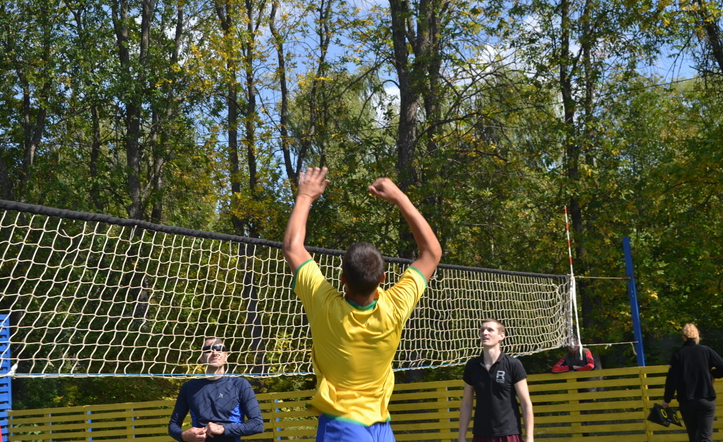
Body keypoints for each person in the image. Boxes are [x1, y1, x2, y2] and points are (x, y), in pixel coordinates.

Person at [282, 167, 443, 442]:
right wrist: (400, 198)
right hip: (380, 426)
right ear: (382, 278)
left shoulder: (324, 305)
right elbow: (431, 252)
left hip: (341, 425)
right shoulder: (395, 306)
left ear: (342, 278)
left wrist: (305, 196)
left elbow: (292, 248)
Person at [168, 337, 264, 442]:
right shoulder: (189, 387)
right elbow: (173, 425)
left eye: (219, 349)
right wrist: (183, 436)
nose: (215, 353)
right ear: (201, 357)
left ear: (226, 356)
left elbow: (257, 424)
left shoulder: (240, 384)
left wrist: (222, 428)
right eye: (208, 350)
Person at [458, 319, 534, 442]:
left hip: (509, 433)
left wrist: (530, 438)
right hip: (481, 434)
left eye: (490, 330)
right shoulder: (472, 365)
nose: (485, 333)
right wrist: (461, 437)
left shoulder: (513, 364)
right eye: (482, 330)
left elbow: (526, 404)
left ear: (501, 336)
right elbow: (467, 404)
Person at [661, 323, 723, 442]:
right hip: (706, 399)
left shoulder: (678, 354)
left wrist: (667, 399)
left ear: (683, 337)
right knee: (705, 437)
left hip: (687, 401)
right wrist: (713, 374)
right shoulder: (706, 351)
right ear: (698, 336)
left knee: (694, 437)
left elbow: (672, 380)